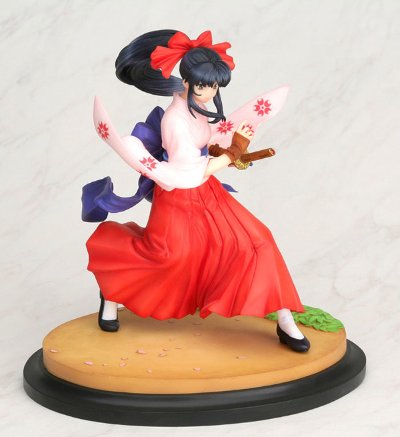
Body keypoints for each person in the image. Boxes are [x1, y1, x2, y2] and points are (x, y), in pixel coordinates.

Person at [84, 30, 310, 352]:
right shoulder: (174, 120)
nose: (210, 92)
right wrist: (235, 150)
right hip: (179, 195)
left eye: (215, 86)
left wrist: (224, 152)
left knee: (258, 240)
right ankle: (112, 290)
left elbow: (204, 150)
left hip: (207, 194)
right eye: (204, 86)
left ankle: (285, 319)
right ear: (187, 82)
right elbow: (189, 172)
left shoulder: (194, 106)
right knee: (168, 259)